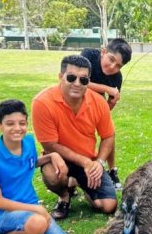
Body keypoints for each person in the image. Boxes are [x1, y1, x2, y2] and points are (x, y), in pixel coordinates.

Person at [0, 99, 75, 234]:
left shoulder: (28, 142)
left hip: (30, 208)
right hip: (2, 213)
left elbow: (30, 163)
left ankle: (30, 228)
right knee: (38, 223)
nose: (17, 128)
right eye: (10, 124)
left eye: (22, 123)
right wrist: (36, 208)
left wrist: (52, 156)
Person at [31, 55, 117, 220]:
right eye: (71, 77)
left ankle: (79, 184)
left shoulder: (98, 102)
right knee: (52, 174)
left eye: (84, 80)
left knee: (108, 206)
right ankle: (64, 197)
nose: (77, 83)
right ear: (60, 77)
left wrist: (98, 163)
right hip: (59, 158)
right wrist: (85, 162)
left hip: (88, 159)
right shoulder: (42, 102)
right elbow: (50, 145)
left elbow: (108, 136)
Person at [80, 38, 132, 190]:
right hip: (74, 99)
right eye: (111, 60)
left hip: (94, 104)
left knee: (109, 132)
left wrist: (112, 102)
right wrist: (108, 89)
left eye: (118, 66)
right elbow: (79, 81)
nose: (112, 67)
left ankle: (111, 170)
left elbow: (105, 111)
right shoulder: (89, 55)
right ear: (103, 51)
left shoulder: (117, 78)